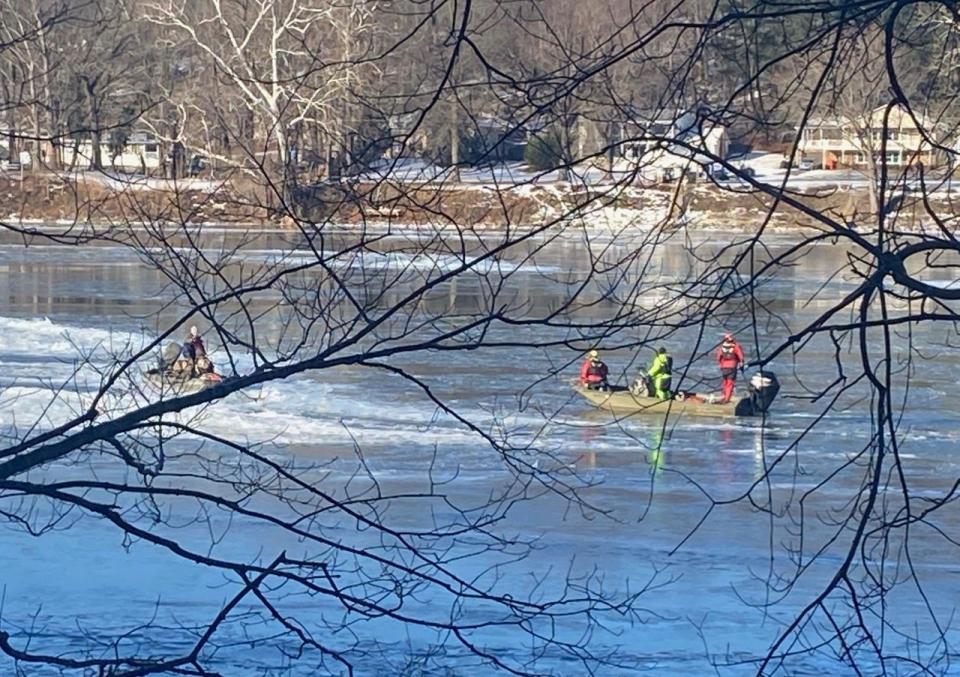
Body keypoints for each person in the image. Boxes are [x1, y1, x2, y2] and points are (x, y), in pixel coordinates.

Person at [716, 333, 745, 403]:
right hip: (732, 367)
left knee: (725, 381)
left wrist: (720, 364)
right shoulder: (736, 346)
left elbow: (718, 357)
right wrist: (742, 363)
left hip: (724, 367)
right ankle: (727, 399)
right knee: (730, 383)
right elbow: (741, 356)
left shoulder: (721, 347)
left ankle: (724, 395)